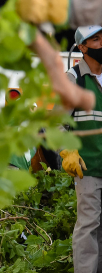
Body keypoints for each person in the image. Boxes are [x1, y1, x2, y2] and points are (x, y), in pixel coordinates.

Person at [60, 25, 102, 273]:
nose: (101, 43)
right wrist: (68, 151)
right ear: (83, 47)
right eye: (95, 39)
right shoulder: (73, 79)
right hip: (88, 167)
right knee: (89, 226)